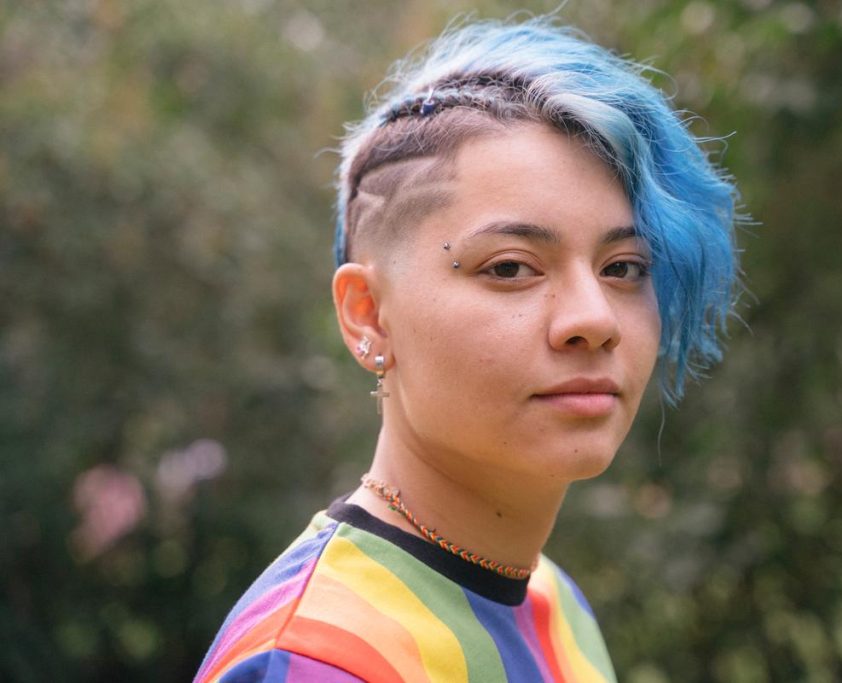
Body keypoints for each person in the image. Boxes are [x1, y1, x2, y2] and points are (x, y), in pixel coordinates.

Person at [195, 14, 737, 683]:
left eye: (623, 267)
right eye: (511, 267)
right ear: (369, 315)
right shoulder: (319, 657)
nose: (594, 318)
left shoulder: (553, 603)